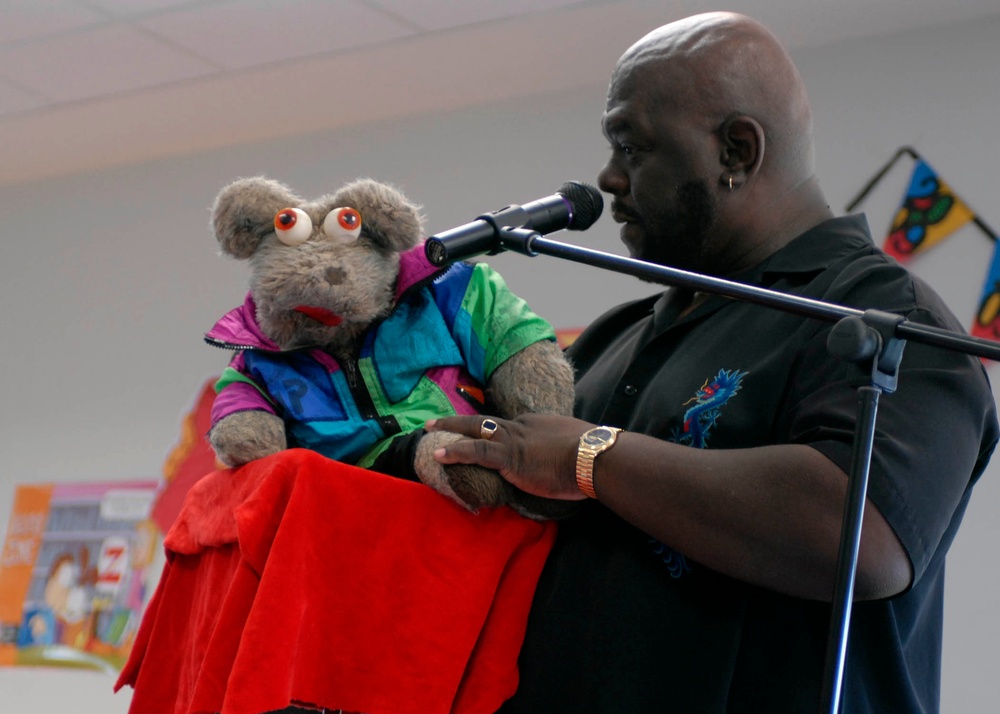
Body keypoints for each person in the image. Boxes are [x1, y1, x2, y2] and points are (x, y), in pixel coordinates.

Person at [426, 11, 999, 714]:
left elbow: (863, 534)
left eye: (632, 148)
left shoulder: (882, 314)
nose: (607, 178)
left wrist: (590, 457)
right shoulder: (618, 337)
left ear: (737, 150)